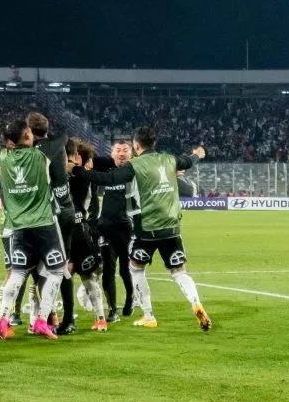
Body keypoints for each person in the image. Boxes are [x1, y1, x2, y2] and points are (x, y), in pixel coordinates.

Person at [73, 127, 212, 331]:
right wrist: (198, 154)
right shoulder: (169, 159)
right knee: (179, 271)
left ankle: (149, 315)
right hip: (172, 227)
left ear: (136, 146)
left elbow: (109, 179)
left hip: (146, 229)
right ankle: (196, 303)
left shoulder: (135, 165)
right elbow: (188, 161)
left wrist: (78, 171)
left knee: (135, 269)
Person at [0, 120, 66, 341]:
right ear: (27, 136)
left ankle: (3, 319)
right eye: (30, 134)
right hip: (43, 225)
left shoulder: (4, 159)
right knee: (56, 271)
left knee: (17, 273)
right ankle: (42, 320)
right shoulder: (40, 155)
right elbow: (62, 139)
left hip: (18, 228)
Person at [26, 112, 78, 334]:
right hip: (67, 209)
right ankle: (68, 319)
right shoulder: (60, 145)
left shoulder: (36, 152)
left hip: (49, 214)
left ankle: (47, 319)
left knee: (42, 268)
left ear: (29, 131)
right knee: (62, 265)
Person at [66, 138, 108, 331]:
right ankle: (100, 319)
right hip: (80, 231)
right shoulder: (83, 176)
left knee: (63, 275)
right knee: (86, 276)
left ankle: (57, 319)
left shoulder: (80, 177)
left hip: (73, 231)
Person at [95, 141, 135, 321]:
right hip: (106, 227)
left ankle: (130, 299)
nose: (121, 153)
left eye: (125, 150)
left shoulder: (134, 170)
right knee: (108, 270)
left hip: (126, 229)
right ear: (112, 154)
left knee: (126, 269)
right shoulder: (105, 167)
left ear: (131, 154)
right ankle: (112, 310)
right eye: (118, 150)